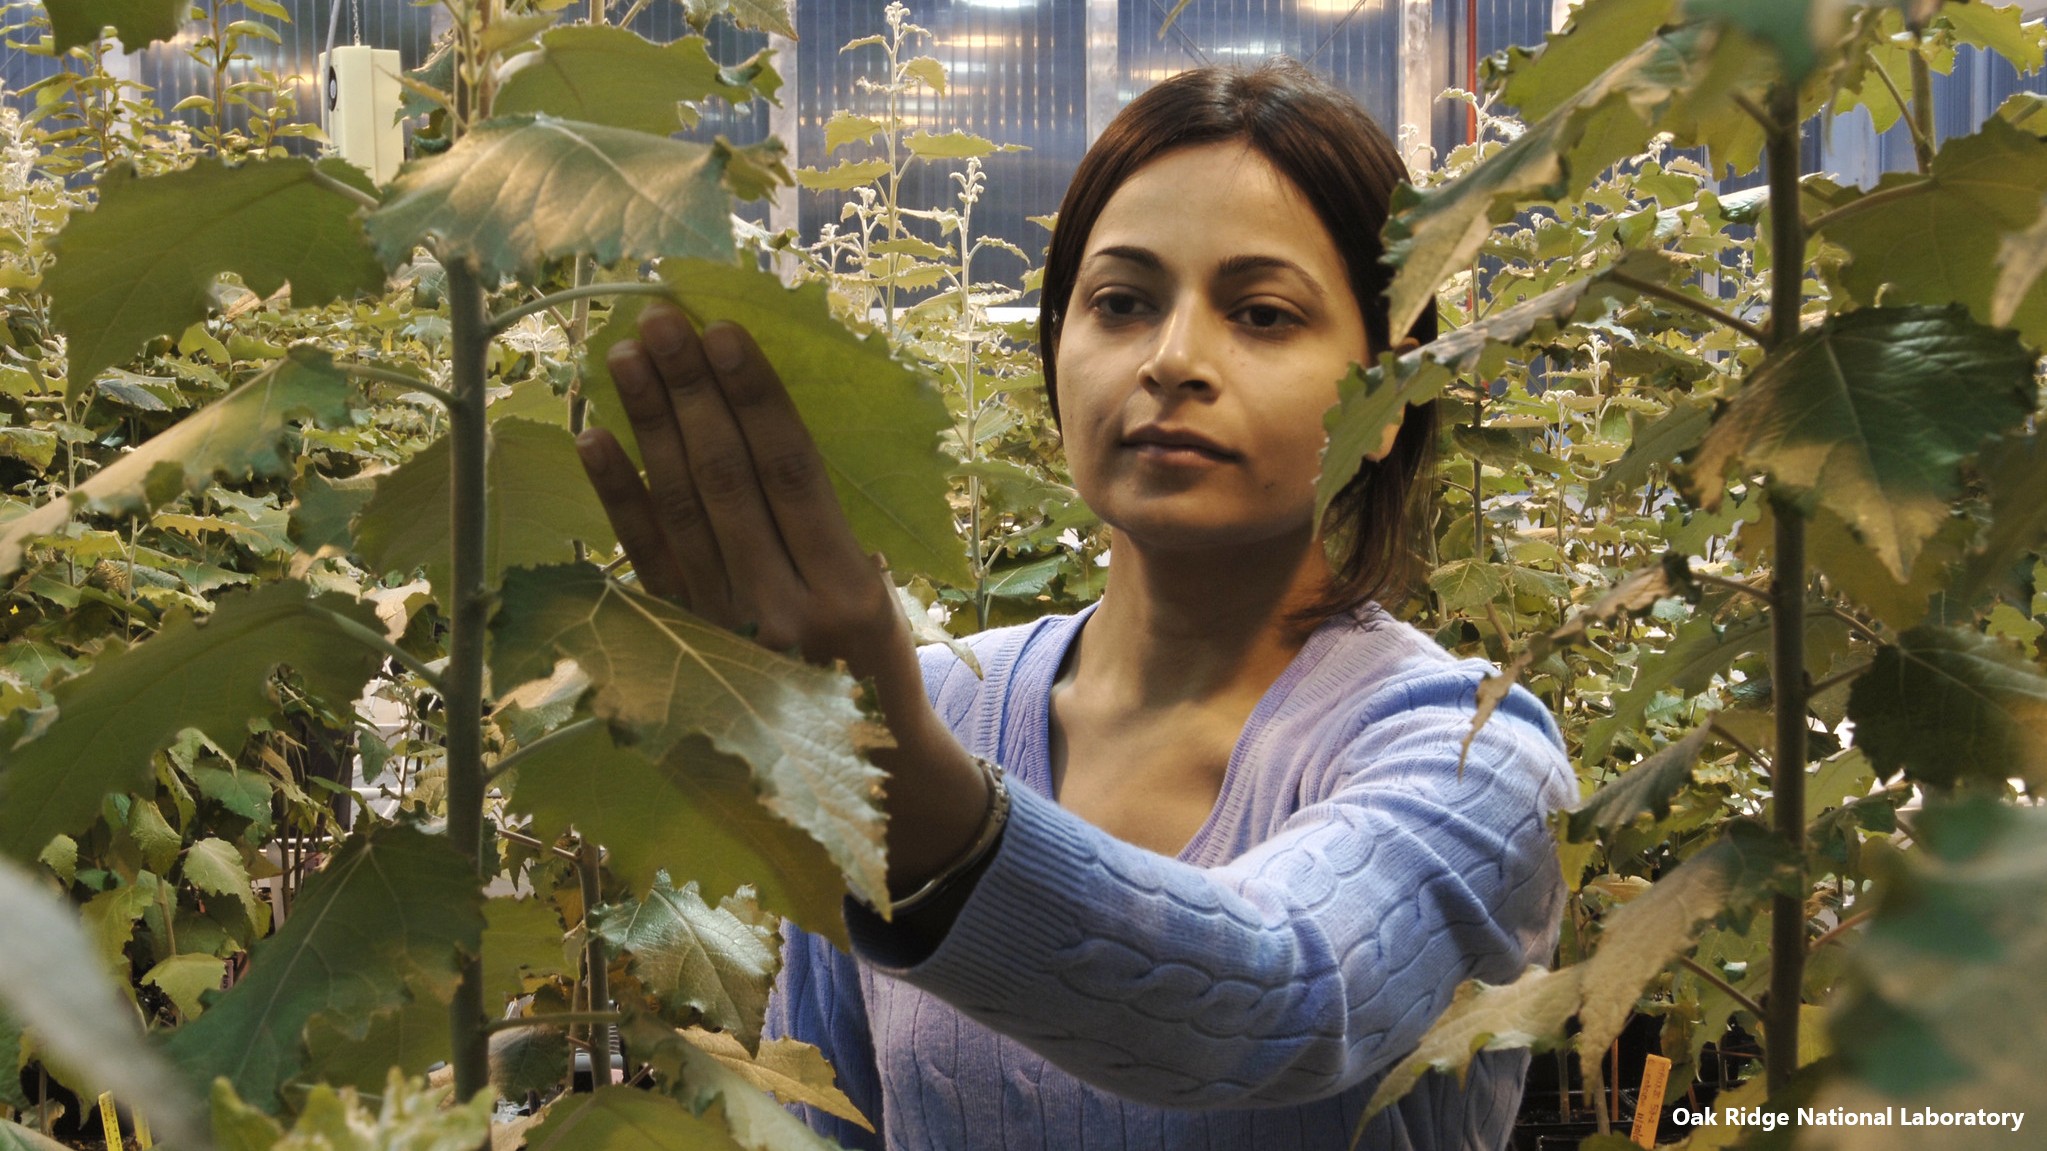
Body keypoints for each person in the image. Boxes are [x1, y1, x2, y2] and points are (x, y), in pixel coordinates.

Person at [575, 59, 1574, 1151]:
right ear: (1057, 348)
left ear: (1388, 393)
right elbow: (825, 1117)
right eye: (1120, 302)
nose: (1173, 358)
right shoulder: (937, 703)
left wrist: (910, 798)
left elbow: (1286, 990)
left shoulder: (1466, 747)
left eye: (1262, 312)